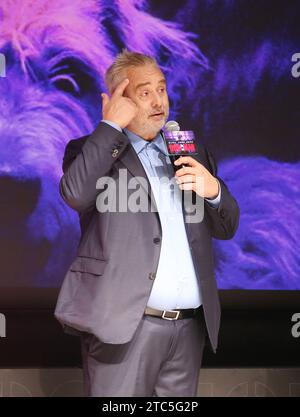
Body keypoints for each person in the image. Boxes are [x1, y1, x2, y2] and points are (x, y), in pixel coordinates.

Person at [54, 50, 239, 397]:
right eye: (144, 92)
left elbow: (227, 227)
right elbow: (75, 194)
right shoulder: (90, 150)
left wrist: (214, 191)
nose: (158, 102)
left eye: (162, 90)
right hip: (124, 326)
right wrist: (111, 126)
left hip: (188, 327)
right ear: (120, 99)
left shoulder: (190, 152)